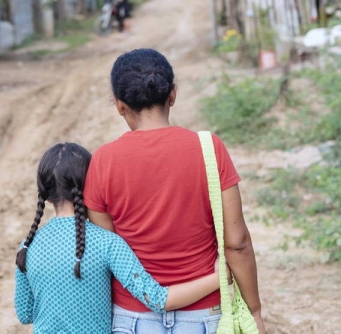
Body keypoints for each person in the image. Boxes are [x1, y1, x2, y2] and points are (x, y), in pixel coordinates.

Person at [83, 48, 266, 333]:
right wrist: (254, 310)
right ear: (173, 94)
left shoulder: (103, 162)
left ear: (119, 104)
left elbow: (109, 253)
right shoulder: (209, 149)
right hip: (204, 315)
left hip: (132, 318)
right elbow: (237, 243)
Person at [14, 142, 224, 333]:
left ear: (45, 193)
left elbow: (25, 314)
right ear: (90, 185)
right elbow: (157, 299)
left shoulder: (28, 246)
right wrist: (221, 277)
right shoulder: (106, 243)